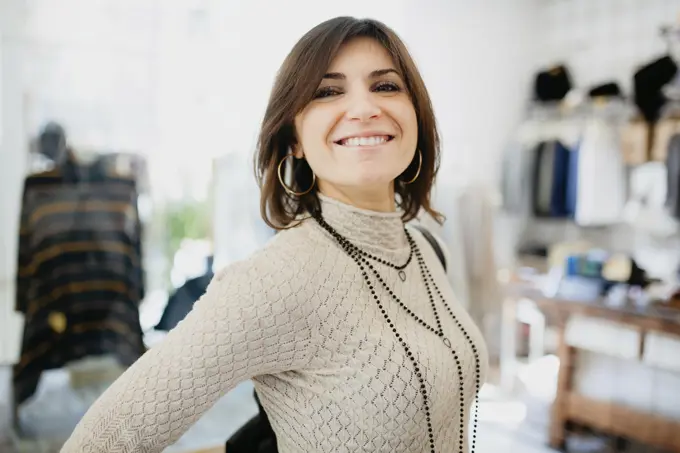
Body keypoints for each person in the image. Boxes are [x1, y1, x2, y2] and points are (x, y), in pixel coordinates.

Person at [60, 16, 488, 453]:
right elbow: (102, 440)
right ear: (294, 139)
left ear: (415, 114)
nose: (364, 108)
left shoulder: (427, 248)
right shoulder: (278, 278)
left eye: (386, 86)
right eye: (328, 91)